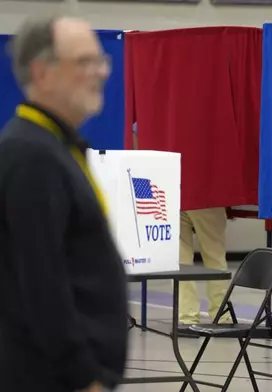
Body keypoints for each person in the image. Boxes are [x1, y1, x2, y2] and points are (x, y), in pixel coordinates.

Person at [0, 15, 127, 392]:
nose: (101, 72)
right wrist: (84, 376)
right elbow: (41, 282)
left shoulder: (56, 147)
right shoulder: (31, 157)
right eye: (84, 62)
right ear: (43, 72)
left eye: (101, 60)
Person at [177, 207, 232, 337]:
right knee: (215, 258)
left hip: (176, 196)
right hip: (206, 198)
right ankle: (221, 317)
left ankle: (187, 319)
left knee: (181, 262)